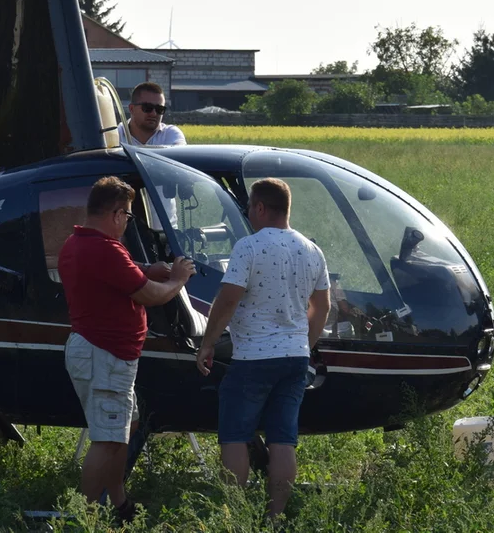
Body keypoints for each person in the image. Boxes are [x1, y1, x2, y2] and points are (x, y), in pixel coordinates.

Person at [59, 176, 196, 520]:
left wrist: (147, 269)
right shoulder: (104, 249)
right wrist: (178, 279)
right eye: (129, 216)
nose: (127, 222)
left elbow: (116, 277)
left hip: (104, 355)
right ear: (117, 214)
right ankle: (85, 518)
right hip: (104, 356)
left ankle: (119, 502)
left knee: (124, 429)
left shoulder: (78, 243)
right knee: (105, 441)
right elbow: (149, 295)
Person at [195, 178, 331, 519]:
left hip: (253, 358)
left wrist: (207, 343)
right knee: (283, 439)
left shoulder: (249, 247)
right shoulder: (311, 249)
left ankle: (236, 514)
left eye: (249, 209)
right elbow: (323, 307)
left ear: (259, 208)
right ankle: (275, 516)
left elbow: (228, 298)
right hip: (295, 358)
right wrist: (304, 343)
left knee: (235, 435)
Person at [119, 81, 186, 147]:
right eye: (148, 107)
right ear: (132, 109)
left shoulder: (170, 135)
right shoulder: (115, 135)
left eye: (159, 109)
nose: (154, 114)